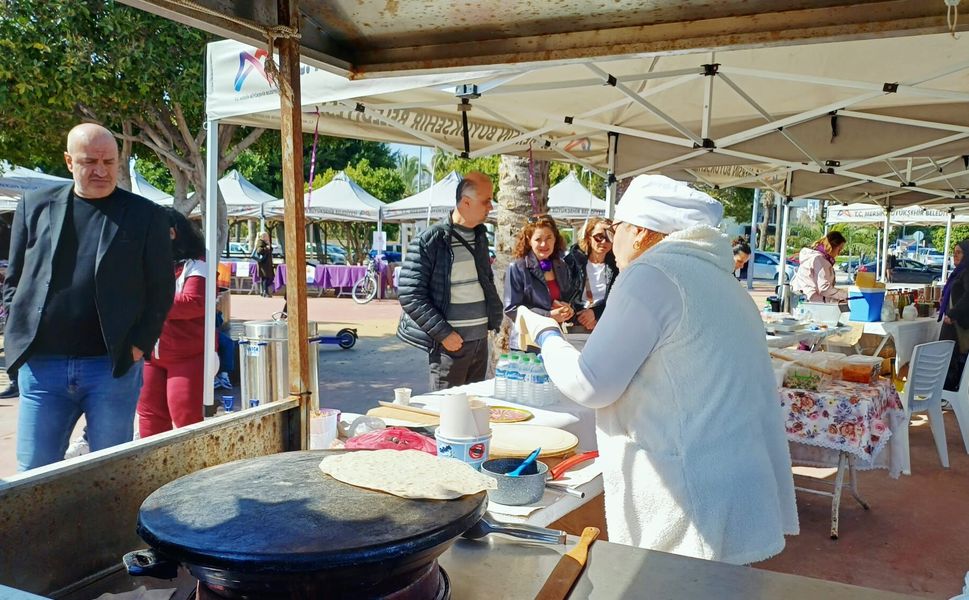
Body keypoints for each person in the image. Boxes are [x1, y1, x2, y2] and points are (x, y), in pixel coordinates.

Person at [516, 174, 798, 565]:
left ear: (641, 232)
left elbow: (590, 384)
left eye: (616, 229)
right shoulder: (721, 281)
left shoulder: (651, 275)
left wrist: (546, 334)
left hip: (688, 496)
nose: (612, 242)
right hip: (730, 485)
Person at [3, 123, 174, 471]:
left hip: (111, 367)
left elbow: (161, 288)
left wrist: (140, 344)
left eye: (109, 162)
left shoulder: (145, 215)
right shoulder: (34, 207)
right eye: (89, 161)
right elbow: (16, 278)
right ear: (68, 162)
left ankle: (104, 530)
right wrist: (19, 331)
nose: (101, 170)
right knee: (33, 473)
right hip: (43, 367)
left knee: (109, 474)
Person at [396, 172, 502, 391]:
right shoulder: (431, 240)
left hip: (480, 344)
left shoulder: (480, 237)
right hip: (450, 348)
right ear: (465, 202)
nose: (491, 207)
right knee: (447, 415)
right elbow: (410, 293)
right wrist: (444, 334)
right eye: (486, 201)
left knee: (473, 409)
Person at [136, 209, 208, 437]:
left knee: (186, 418)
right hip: (148, 354)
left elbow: (193, 302)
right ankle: (154, 470)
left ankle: (195, 471)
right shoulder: (143, 262)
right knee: (149, 418)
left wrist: (146, 300)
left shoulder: (196, 264)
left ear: (172, 233)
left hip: (186, 357)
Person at [504, 214, 577, 348]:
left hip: (555, 338)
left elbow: (566, 297)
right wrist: (549, 315)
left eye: (549, 238)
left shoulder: (561, 266)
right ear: (529, 240)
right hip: (528, 343)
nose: (544, 244)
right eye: (538, 239)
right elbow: (511, 309)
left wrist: (567, 308)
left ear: (555, 239)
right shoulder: (518, 267)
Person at [565, 217, 619, 331]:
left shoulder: (618, 265)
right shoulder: (572, 261)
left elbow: (618, 299)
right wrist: (583, 317)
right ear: (589, 237)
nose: (604, 241)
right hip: (576, 322)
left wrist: (595, 313)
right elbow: (566, 295)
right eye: (599, 236)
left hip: (608, 322)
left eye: (610, 236)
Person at [939, 239, 969, 391]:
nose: (955, 256)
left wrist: (952, 313)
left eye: (959, 253)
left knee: (952, 357)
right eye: (954, 253)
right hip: (954, 322)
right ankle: (949, 391)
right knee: (950, 356)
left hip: (959, 324)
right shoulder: (959, 272)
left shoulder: (967, 272)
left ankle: (950, 392)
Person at [791, 231, 848, 303]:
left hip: (801, 298)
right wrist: (845, 295)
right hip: (812, 302)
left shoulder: (812, 256)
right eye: (839, 249)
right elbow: (824, 288)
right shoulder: (820, 260)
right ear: (832, 247)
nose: (839, 253)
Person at [254, 232, 275, 297]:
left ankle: (264, 292)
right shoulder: (260, 242)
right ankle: (265, 292)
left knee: (265, 278)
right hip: (263, 264)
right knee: (265, 278)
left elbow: (270, 250)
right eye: (266, 236)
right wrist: (267, 248)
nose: (268, 237)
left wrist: (269, 246)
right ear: (263, 237)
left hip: (266, 264)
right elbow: (259, 250)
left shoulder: (265, 243)